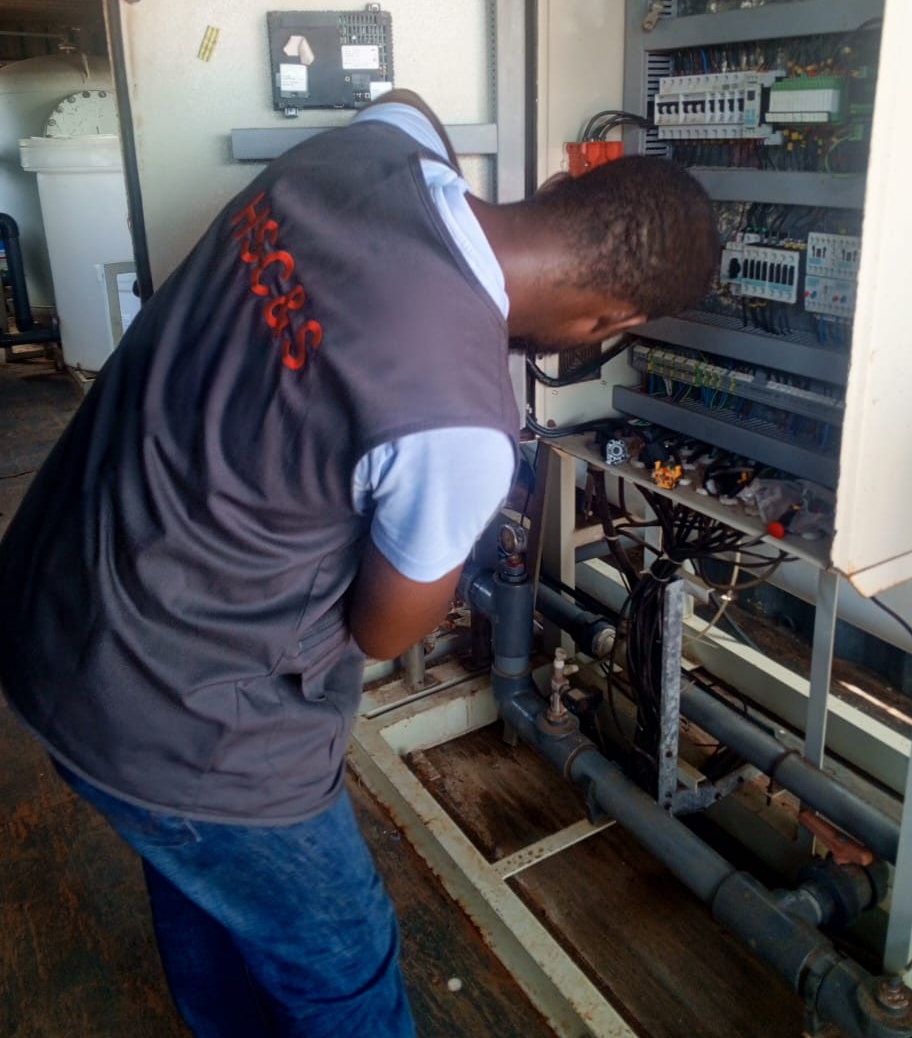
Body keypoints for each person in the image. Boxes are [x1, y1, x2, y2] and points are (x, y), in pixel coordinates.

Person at [0, 89, 719, 1037]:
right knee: (343, 965)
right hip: (189, 715)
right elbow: (380, 628)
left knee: (201, 873)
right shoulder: (461, 424)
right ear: (606, 324)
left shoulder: (370, 151)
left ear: (551, 187)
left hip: (51, 610)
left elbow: (410, 101)